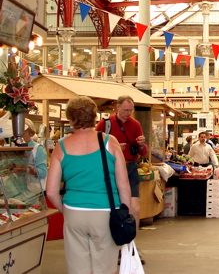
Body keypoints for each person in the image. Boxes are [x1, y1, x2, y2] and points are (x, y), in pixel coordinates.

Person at [46, 96, 131, 273]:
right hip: (105, 212)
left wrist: (65, 210)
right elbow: (123, 183)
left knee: (77, 266)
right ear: (94, 117)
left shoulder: (61, 146)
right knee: (104, 265)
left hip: (74, 211)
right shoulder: (110, 142)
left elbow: (51, 191)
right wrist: (125, 213)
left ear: (70, 118)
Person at [95, 95, 147, 233]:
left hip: (130, 167)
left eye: (130, 110)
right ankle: (114, 241)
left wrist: (141, 145)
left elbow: (143, 152)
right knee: (113, 207)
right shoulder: (105, 124)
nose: (128, 113)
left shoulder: (135, 124)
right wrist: (115, 148)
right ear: (117, 107)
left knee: (134, 209)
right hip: (111, 168)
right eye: (125, 110)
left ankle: (131, 247)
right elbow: (95, 148)